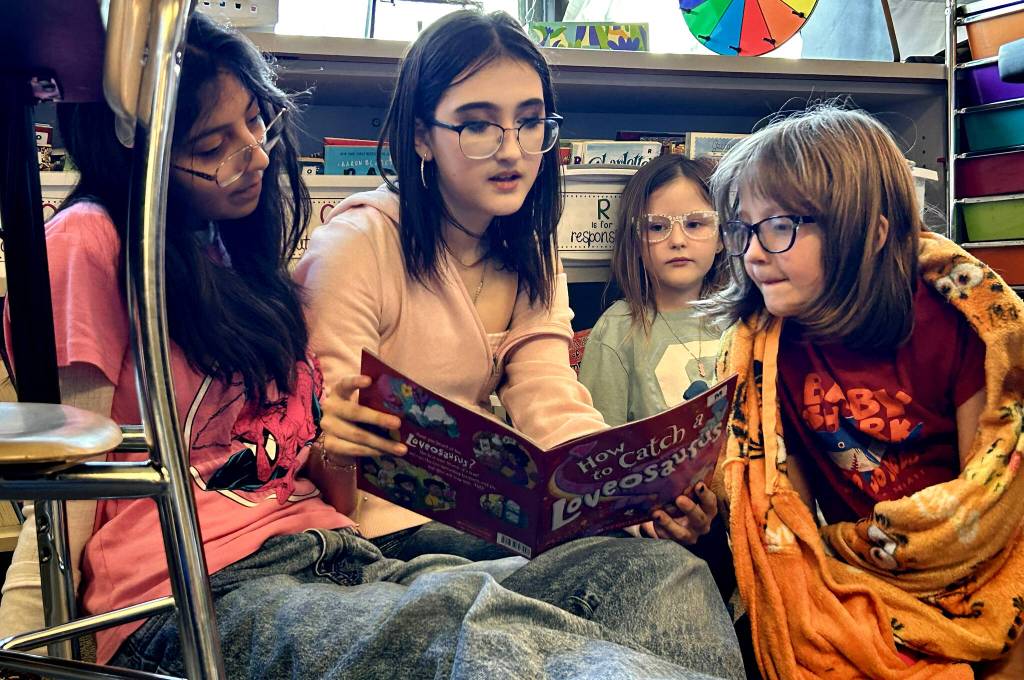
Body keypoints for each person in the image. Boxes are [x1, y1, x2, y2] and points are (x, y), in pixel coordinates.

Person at [0, 12, 745, 679]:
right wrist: (32, 647)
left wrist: (622, 495)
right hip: (195, 581)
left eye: (258, 123)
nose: (256, 154)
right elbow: (69, 473)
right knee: (473, 631)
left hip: (324, 550)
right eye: (213, 142)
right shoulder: (92, 241)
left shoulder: (229, 256)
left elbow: (536, 401)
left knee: (653, 574)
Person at [294, 10, 720, 558]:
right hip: (382, 536)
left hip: (493, 525)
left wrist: (632, 501)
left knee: (664, 564)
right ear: (422, 136)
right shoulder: (357, 244)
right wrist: (335, 446)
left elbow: (548, 395)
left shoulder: (531, 250)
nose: (513, 150)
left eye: (530, 121)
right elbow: (323, 427)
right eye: (477, 124)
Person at [708, 104, 1024, 678]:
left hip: (973, 566)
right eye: (743, 227)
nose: (753, 251)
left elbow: (989, 491)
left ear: (872, 233)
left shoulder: (954, 325)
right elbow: (788, 517)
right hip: (858, 570)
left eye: (780, 225)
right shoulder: (770, 345)